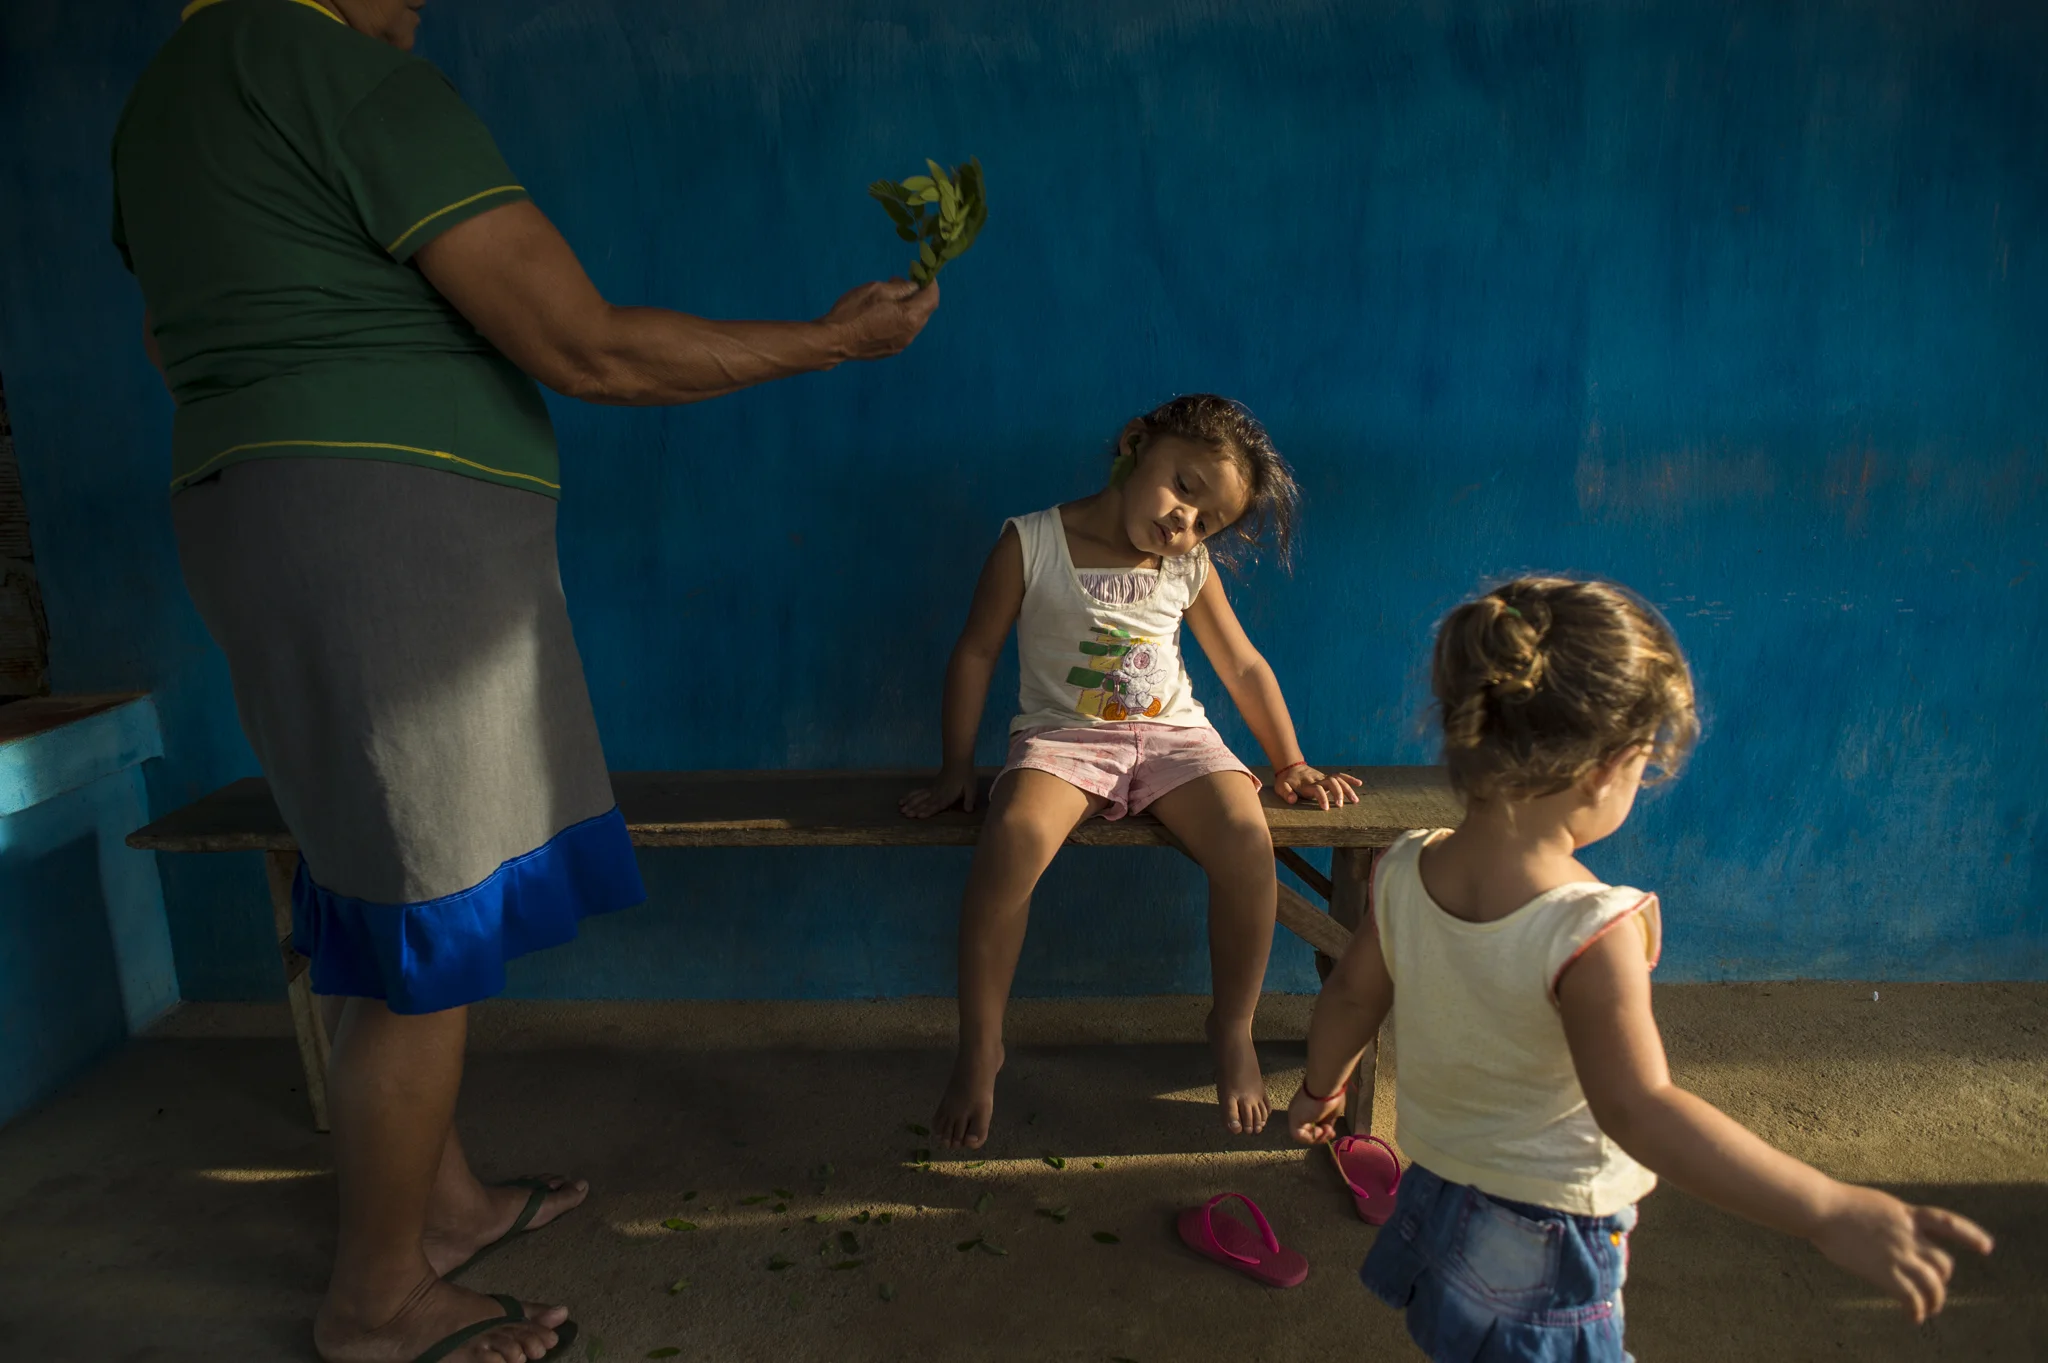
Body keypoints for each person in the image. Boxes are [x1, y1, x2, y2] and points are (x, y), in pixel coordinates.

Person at [112, 0, 937, 1358]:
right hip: (389, 527)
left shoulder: (168, 104)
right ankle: (376, 1299)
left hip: (252, 505)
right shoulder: (348, 76)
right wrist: (832, 340)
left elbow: (171, 340)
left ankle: (446, 1204)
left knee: (378, 881)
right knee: (424, 925)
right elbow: (587, 346)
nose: (417, 11)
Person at [1288, 576, 1993, 1360]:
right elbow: (1640, 1108)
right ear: (1607, 766)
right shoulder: (1591, 926)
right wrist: (1825, 1206)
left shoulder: (1400, 867)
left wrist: (1321, 1089)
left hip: (1441, 1195)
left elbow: (1351, 994)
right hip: (1546, 1233)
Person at [901, 394, 1358, 1149]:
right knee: (1011, 836)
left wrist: (1290, 760)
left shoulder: (1189, 566)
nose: (1184, 521)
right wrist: (957, 765)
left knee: (1248, 842)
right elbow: (976, 650)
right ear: (1135, 443)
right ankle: (982, 1043)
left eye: (1204, 519)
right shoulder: (1030, 542)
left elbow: (1241, 664)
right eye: (1183, 486)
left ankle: (1232, 1026)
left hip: (1177, 739)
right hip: (1062, 739)